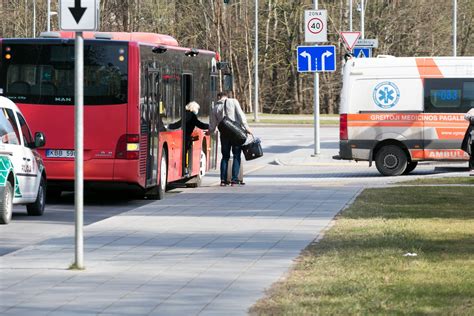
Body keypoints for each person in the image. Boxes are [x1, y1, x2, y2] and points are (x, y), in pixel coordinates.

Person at [209, 91, 250, 186]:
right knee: (236, 156)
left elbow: (213, 124)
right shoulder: (233, 101)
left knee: (225, 157)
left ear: (219, 97)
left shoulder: (215, 107)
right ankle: (234, 180)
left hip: (224, 135)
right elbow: (241, 115)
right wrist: (247, 128)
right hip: (236, 133)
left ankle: (223, 180)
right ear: (226, 96)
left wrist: (209, 131)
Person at [168, 101, 209, 174]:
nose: (198, 110)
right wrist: (209, 126)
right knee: (185, 152)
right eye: (197, 109)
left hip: (184, 136)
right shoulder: (191, 115)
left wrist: (170, 126)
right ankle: (185, 168)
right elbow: (199, 124)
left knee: (184, 152)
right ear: (193, 108)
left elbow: (179, 123)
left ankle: (184, 168)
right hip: (186, 137)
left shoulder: (186, 114)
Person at [461, 107, 474, 176]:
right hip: (473, 134)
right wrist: (471, 118)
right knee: (473, 152)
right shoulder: (473, 110)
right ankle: (472, 168)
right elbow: (465, 116)